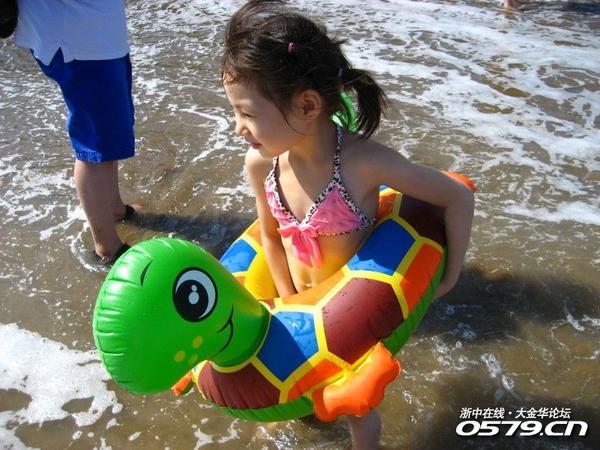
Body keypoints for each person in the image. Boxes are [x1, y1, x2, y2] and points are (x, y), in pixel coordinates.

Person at [221, 1, 475, 448]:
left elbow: (456, 196)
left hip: (349, 315)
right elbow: (271, 239)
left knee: (359, 413)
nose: (238, 127)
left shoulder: (362, 163)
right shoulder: (261, 164)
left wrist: (449, 275)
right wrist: (288, 306)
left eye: (247, 113)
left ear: (307, 104)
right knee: (295, 398)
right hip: (296, 301)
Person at [12, 0, 139, 264]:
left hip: (97, 31)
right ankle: (107, 247)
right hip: (77, 37)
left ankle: (113, 208)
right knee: (96, 145)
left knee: (109, 134)